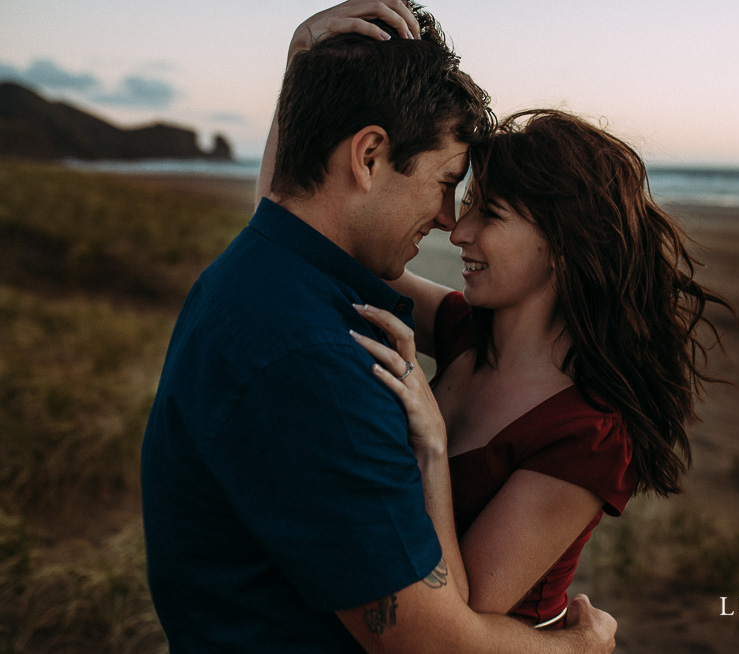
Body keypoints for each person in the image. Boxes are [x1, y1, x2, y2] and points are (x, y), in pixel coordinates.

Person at [140, 1, 616, 652]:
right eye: (448, 183)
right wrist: (576, 649)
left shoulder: (262, 268)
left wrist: (303, 74)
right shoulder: (320, 362)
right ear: (369, 157)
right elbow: (433, 642)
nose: (452, 222)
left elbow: (287, 208)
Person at [347, 108, 733, 626]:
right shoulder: (466, 331)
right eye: (468, 206)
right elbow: (319, 240)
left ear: (562, 244)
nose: (458, 231)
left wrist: (432, 449)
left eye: (490, 214)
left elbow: (460, 622)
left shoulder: (587, 435)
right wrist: (301, 69)